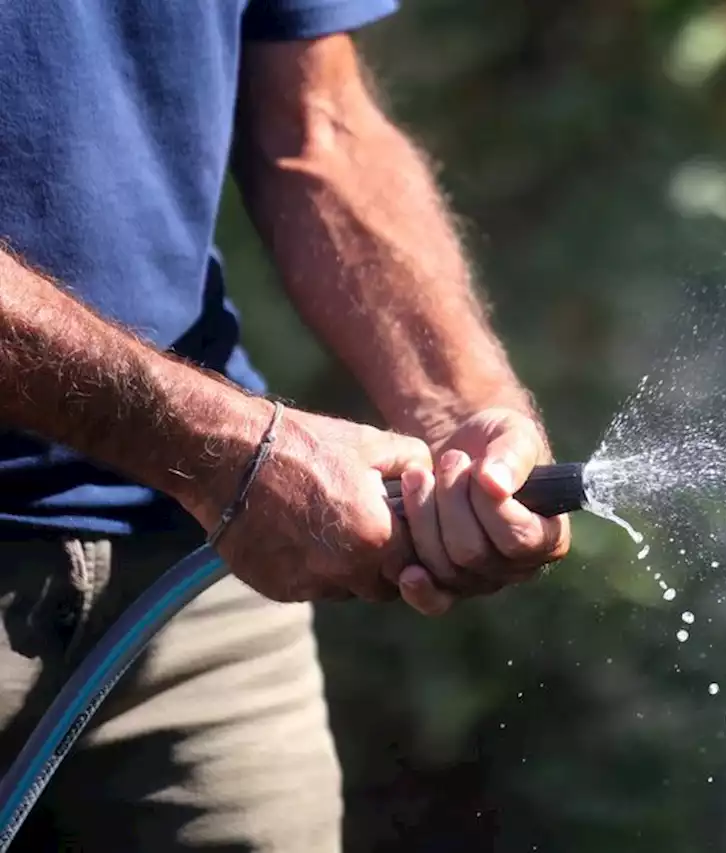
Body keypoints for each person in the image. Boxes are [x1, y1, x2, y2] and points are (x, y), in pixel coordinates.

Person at [0, 0, 570, 850]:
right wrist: (225, 451)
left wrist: (462, 417)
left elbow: (321, 126)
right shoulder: (225, 461)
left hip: (197, 579)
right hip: (208, 490)